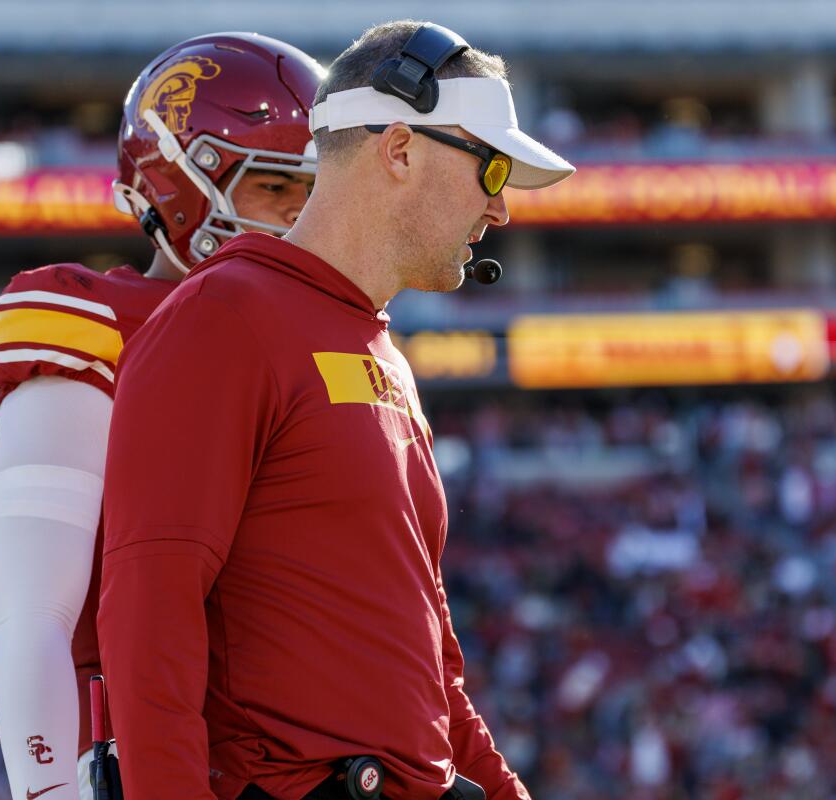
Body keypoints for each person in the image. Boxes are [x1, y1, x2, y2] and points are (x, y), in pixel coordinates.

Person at [96, 20, 574, 800]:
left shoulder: (381, 352)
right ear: (398, 149)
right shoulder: (222, 314)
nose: (502, 210)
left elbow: (430, 667)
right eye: (491, 170)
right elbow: (150, 610)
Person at [0, 33, 322, 800]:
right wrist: (48, 793)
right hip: (151, 764)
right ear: (181, 185)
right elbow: (35, 618)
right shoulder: (98, 324)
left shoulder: (316, 337)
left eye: (316, 194)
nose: (303, 219)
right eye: (277, 188)